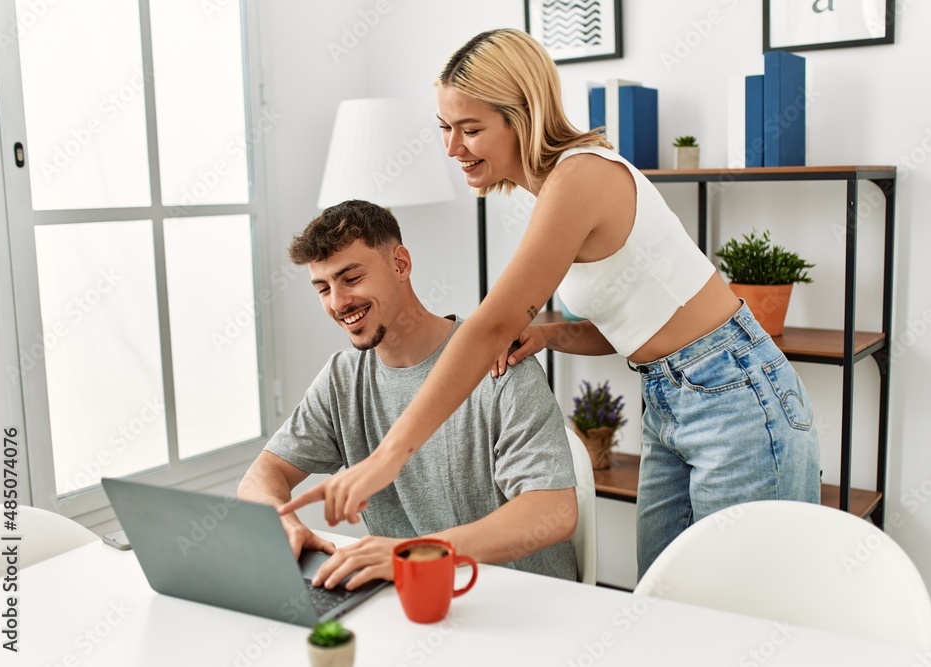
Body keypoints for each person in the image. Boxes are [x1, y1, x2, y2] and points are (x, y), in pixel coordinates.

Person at [281, 29, 821, 578]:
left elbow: (491, 324)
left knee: (741, 608)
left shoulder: (581, 176)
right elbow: (640, 323)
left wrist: (384, 459)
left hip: (735, 396)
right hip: (670, 395)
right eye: (445, 128)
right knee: (667, 599)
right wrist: (550, 335)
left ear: (522, 116)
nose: (451, 147)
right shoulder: (554, 189)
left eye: (470, 129)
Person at [239, 199, 579, 588]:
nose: (338, 303)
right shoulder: (342, 379)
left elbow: (554, 510)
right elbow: (261, 474)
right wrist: (279, 519)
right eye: (323, 288)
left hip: (519, 605)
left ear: (400, 264)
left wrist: (416, 554)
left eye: (351, 278)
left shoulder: (501, 363)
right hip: (409, 600)